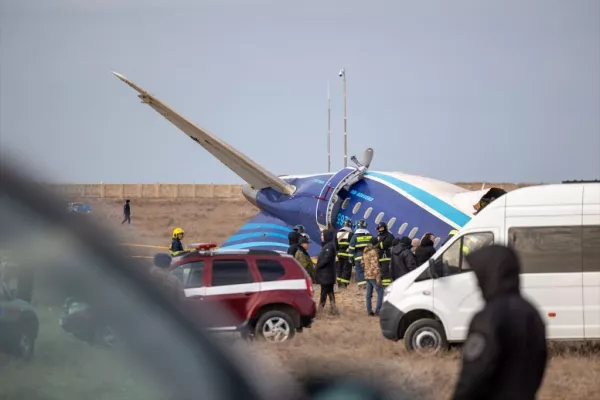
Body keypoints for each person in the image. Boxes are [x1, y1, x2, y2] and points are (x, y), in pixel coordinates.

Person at [452, 245, 548, 400]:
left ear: (490, 275)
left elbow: (475, 373)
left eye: (480, 277)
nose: (477, 284)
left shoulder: (488, 318)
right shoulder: (532, 312)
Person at [315, 229, 338, 315]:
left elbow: (326, 259)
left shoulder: (329, 247)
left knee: (324, 292)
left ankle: (320, 310)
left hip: (326, 274)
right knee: (329, 292)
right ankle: (333, 309)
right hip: (326, 274)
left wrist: (318, 266)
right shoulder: (327, 246)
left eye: (322, 235)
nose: (321, 237)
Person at [348, 219, 372, 291]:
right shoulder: (370, 235)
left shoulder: (355, 236)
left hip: (358, 257)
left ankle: (362, 286)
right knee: (368, 271)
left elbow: (351, 248)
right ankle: (368, 286)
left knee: (359, 271)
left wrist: (350, 258)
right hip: (368, 257)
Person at [361, 237, 383, 316]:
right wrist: (377, 277)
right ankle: (378, 310)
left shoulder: (365, 251)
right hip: (373, 275)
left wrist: (367, 269)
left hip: (367, 275)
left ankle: (369, 311)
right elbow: (375, 265)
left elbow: (362, 263)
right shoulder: (373, 252)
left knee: (368, 294)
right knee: (380, 292)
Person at [335, 219, 354, 289]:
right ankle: (344, 284)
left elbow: (335, 245)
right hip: (347, 255)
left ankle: (339, 284)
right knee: (346, 269)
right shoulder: (351, 234)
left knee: (339, 269)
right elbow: (352, 245)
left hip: (339, 254)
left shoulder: (337, 233)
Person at [376, 222, 395, 287]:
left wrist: (377, 245)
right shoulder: (379, 235)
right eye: (379, 228)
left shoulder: (389, 235)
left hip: (386, 256)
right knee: (380, 271)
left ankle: (386, 286)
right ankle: (381, 284)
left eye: (382, 228)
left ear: (385, 228)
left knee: (385, 271)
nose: (380, 229)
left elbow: (385, 244)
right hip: (380, 256)